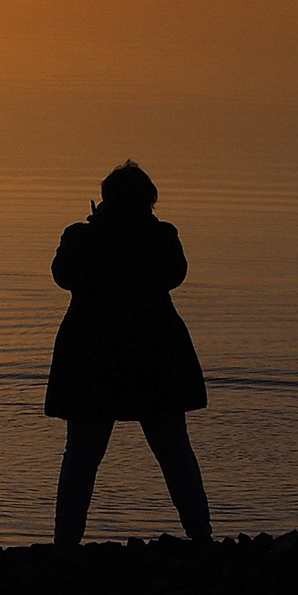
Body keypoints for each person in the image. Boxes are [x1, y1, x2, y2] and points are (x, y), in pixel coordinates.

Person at [44, 161, 212, 544]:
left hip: (91, 356)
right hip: (154, 355)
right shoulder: (161, 237)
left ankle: (65, 543)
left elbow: (63, 276)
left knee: (82, 454)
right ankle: (201, 536)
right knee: (173, 449)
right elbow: (174, 274)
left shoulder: (81, 238)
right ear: (148, 202)